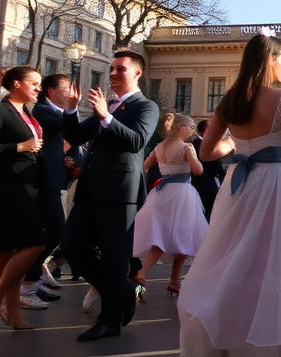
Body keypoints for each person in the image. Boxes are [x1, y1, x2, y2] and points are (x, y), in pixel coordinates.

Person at [178, 33, 281, 356]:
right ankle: (274, 330)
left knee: (235, 253)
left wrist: (240, 145)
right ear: (270, 60)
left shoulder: (230, 99)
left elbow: (209, 151)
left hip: (240, 185)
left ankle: (226, 321)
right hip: (276, 185)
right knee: (276, 257)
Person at [61, 51, 160, 342]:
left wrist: (106, 116)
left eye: (120, 69)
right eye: (112, 68)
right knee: (71, 246)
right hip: (90, 189)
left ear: (137, 74)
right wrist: (70, 110)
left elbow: (137, 141)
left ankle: (110, 320)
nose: (113, 73)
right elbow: (77, 137)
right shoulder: (109, 106)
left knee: (116, 259)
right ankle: (123, 290)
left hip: (120, 194)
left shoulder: (146, 106)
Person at [133, 114, 208, 297]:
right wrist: (193, 155)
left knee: (163, 236)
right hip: (182, 194)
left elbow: (144, 166)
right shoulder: (185, 147)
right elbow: (198, 170)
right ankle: (156, 277)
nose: (192, 129)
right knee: (182, 236)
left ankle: (159, 278)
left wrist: (166, 172)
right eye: (190, 126)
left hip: (162, 194)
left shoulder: (160, 146)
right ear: (180, 127)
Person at [0, 66, 45, 330]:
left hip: (28, 185)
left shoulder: (25, 110)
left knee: (7, 253)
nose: (38, 88)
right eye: (34, 83)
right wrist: (19, 146)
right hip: (9, 186)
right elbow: (19, 146)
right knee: (35, 243)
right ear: (16, 84)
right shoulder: (3, 109)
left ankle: (14, 315)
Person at [25, 74, 74, 298]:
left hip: (51, 178)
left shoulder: (53, 112)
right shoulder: (43, 110)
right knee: (57, 228)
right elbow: (72, 131)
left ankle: (34, 274)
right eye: (67, 88)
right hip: (42, 180)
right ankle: (30, 275)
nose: (70, 92)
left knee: (49, 229)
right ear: (51, 91)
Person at [191, 119, 225, 221]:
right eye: (209, 128)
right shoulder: (197, 143)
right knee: (208, 208)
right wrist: (223, 173)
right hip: (204, 181)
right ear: (203, 130)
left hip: (208, 180)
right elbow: (211, 162)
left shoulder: (204, 143)